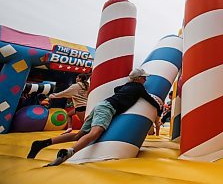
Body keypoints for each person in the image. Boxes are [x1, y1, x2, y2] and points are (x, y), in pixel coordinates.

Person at [27, 68, 162, 166]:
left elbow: (116, 90)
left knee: (78, 135)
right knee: (96, 132)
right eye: (144, 77)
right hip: (108, 108)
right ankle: (70, 151)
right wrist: (159, 108)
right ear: (138, 79)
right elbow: (149, 100)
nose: (146, 79)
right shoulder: (139, 88)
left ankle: (42, 143)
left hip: (101, 105)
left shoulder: (127, 85)